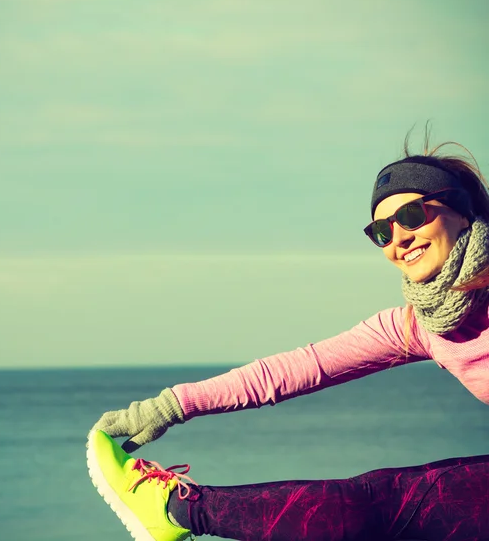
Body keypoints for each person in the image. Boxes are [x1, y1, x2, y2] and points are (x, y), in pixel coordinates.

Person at [87, 135, 489, 541]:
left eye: (412, 214)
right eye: (382, 231)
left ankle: (174, 509)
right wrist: (169, 407)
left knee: (388, 501)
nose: (399, 238)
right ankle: (171, 511)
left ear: (460, 211)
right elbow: (294, 370)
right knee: (375, 497)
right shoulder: (417, 326)